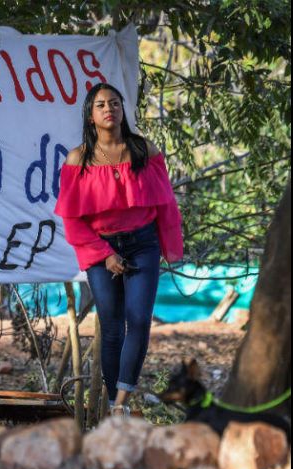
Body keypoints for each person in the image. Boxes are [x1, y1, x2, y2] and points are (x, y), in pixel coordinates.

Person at [53, 83, 184, 417]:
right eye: (100, 105)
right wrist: (105, 255)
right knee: (111, 327)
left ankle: (122, 404)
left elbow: (166, 204)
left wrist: (169, 248)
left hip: (142, 244)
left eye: (114, 102)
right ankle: (113, 405)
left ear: (123, 109)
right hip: (101, 249)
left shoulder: (144, 150)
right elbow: (73, 221)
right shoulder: (77, 159)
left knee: (138, 320)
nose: (108, 109)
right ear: (91, 115)